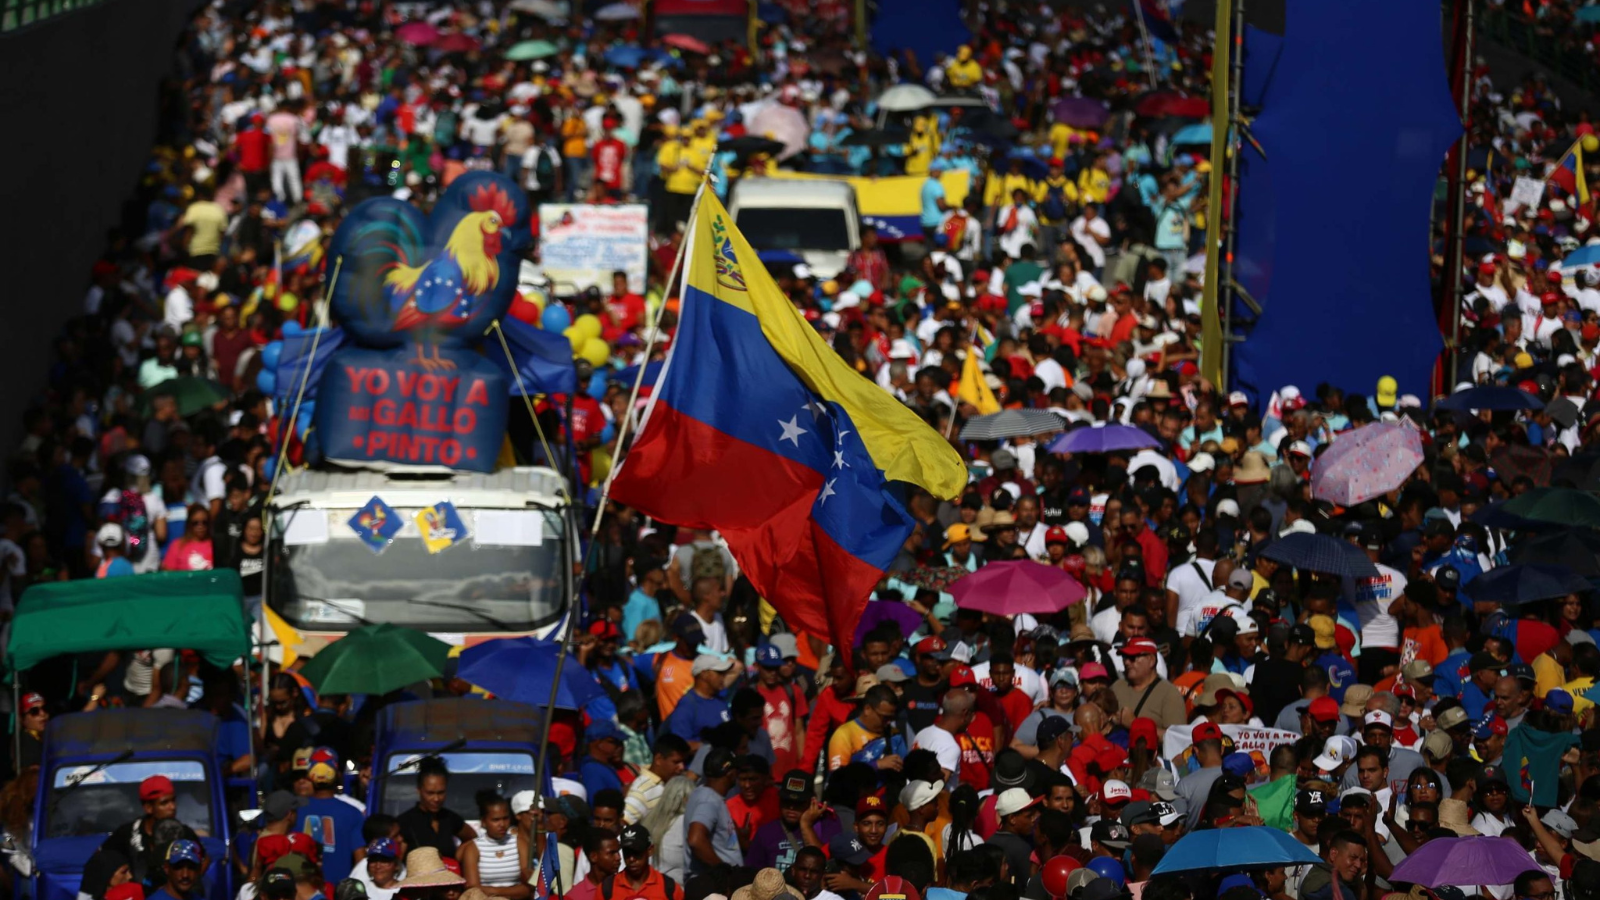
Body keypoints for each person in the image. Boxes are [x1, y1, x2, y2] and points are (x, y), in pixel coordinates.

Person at [102, 776, 200, 887]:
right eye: (164, 803)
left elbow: (204, 858)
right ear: (148, 807)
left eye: (173, 800)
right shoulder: (127, 833)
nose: (172, 807)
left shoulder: (184, 832)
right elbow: (101, 860)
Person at [297, 751, 367, 882]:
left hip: (301, 889)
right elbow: (361, 861)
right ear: (338, 775)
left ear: (309, 777)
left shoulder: (294, 811)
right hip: (338, 890)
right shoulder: (352, 812)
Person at [397, 760, 476, 859]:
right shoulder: (404, 822)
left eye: (441, 792)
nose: (436, 799)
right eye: (430, 793)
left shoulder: (450, 818)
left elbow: (473, 839)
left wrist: (458, 859)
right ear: (419, 791)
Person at [683, 748, 742, 878]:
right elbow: (695, 840)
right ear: (731, 774)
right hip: (712, 885)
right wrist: (724, 872)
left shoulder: (701, 792)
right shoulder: (709, 800)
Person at [459, 793, 529, 899]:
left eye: (505, 818)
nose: (502, 824)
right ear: (483, 822)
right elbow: (473, 888)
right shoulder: (473, 848)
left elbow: (527, 888)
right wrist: (511, 891)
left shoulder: (520, 843)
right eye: (496, 820)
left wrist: (492, 891)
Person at [604, 824, 683, 900]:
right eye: (627, 852)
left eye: (636, 852)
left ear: (650, 850)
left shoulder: (669, 888)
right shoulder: (607, 888)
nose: (631, 859)